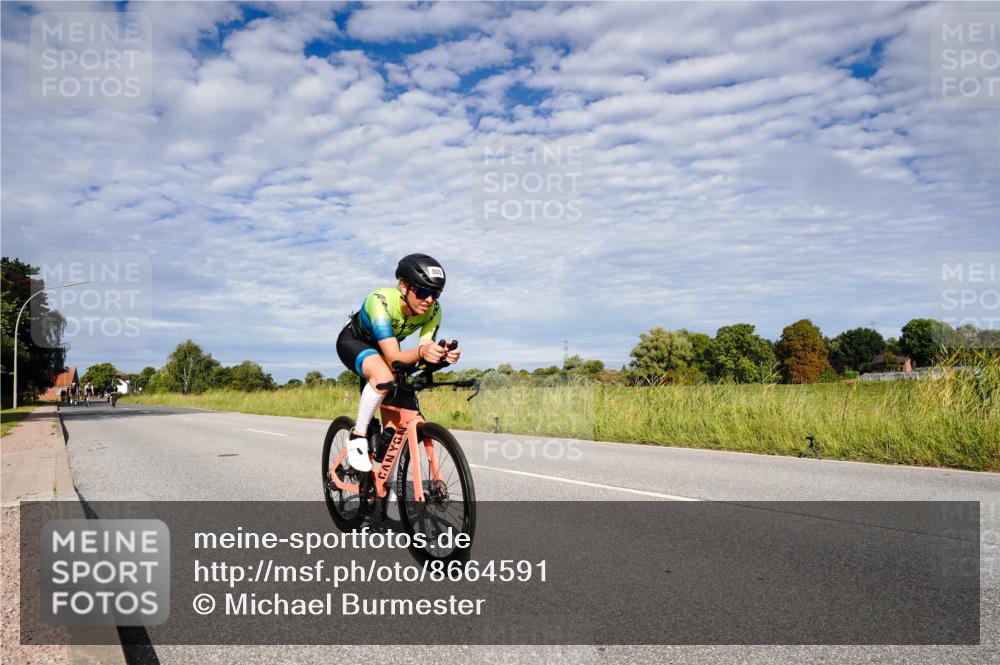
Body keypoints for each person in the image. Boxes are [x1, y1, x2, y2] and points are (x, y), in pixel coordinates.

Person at [336, 254, 460, 473]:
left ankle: (387, 491)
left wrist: (441, 356)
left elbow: (423, 350)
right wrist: (422, 351)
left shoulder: (433, 310)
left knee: (394, 432)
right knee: (383, 375)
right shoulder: (380, 301)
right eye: (422, 291)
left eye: (435, 293)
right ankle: (358, 436)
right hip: (354, 342)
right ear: (403, 286)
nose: (429, 300)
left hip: (387, 348)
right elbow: (394, 357)